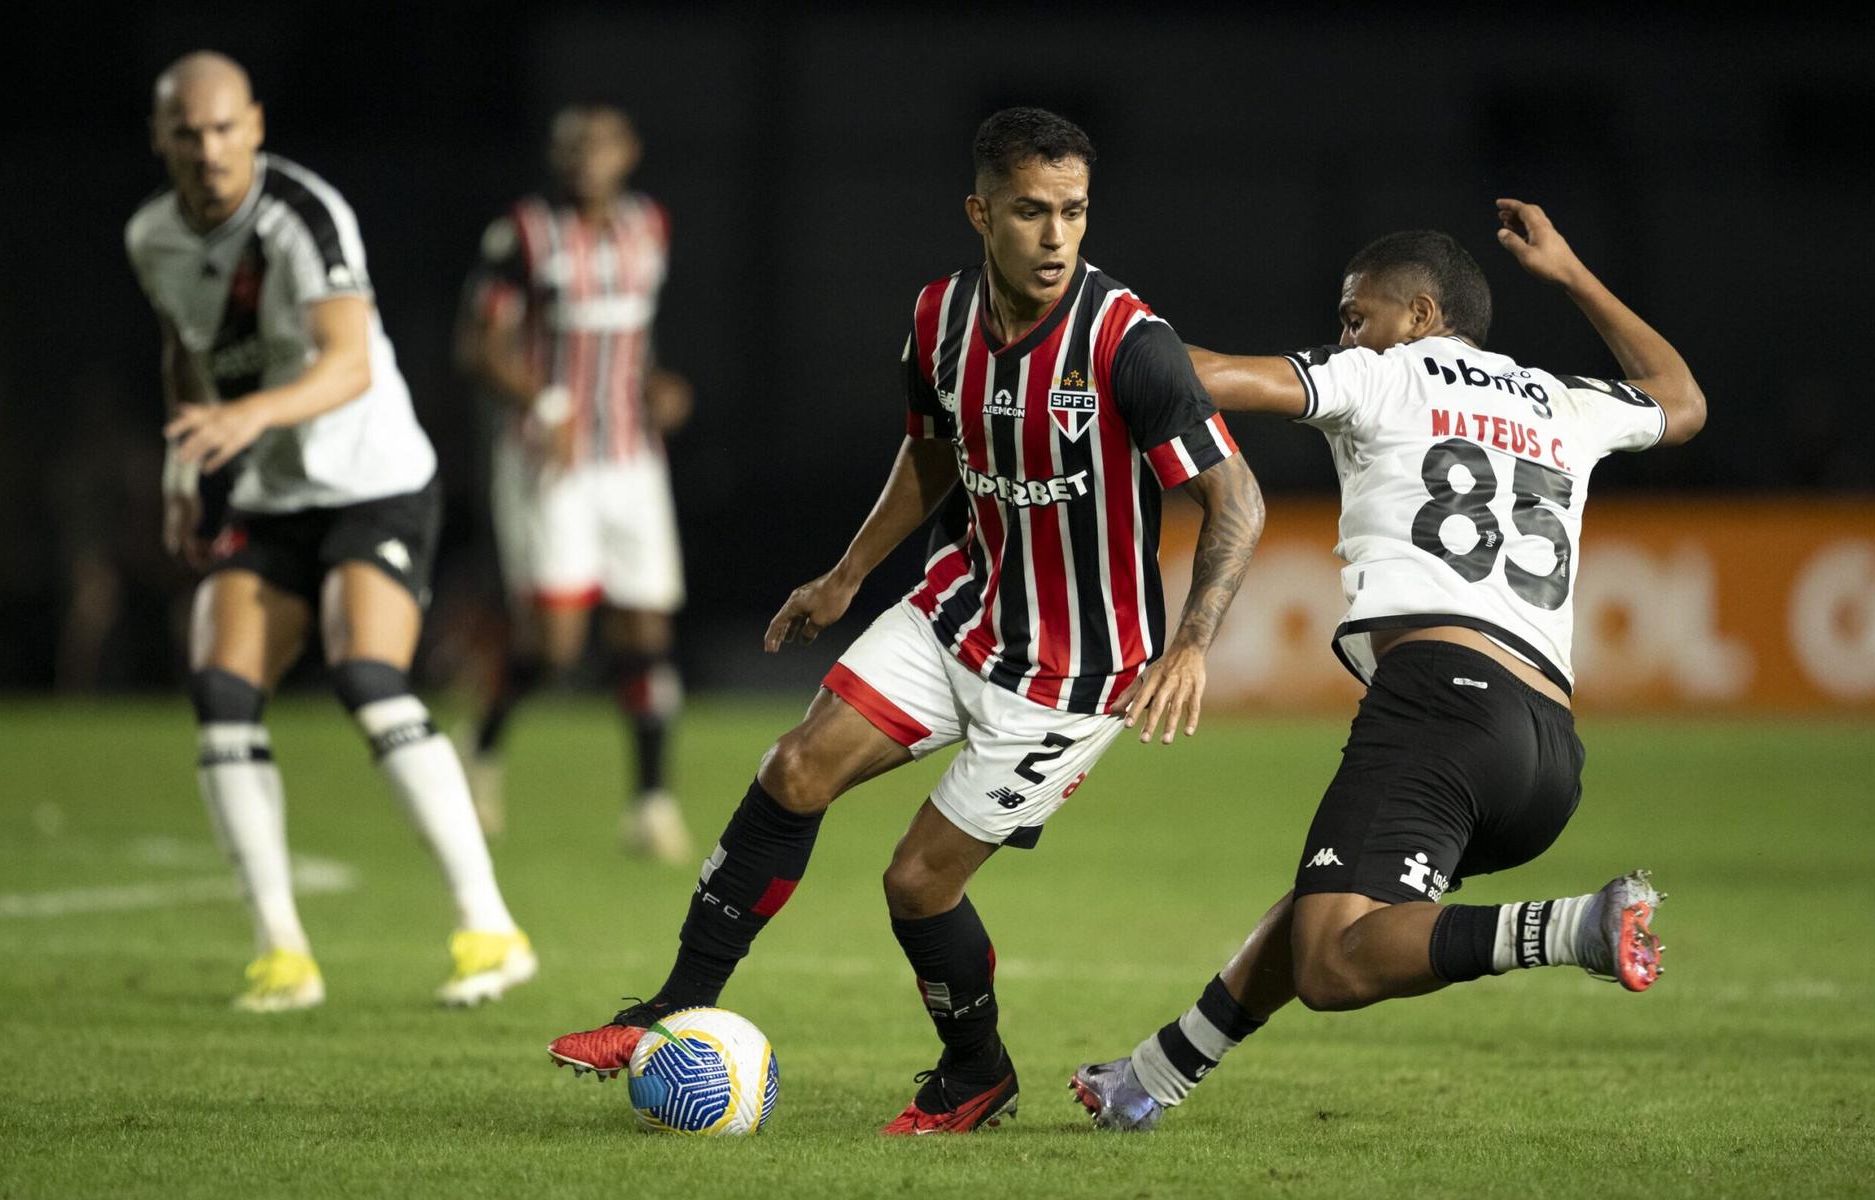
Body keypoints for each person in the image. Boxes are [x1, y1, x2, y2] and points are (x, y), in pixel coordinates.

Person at [546, 107, 1266, 1134]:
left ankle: (976, 1072)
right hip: (957, 611)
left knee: (916, 884)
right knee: (793, 770)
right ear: (980, 213)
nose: (1057, 236)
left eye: (1073, 212)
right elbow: (933, 454)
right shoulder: (937, 317)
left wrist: (1191, 641)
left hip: (1073, 674)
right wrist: (846, 576)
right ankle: (671, 1007)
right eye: (1030, 212)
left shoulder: (1128, 345)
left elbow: (1234, 500)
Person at [1070, 203, 1707, 1131]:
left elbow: (1206, 376)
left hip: (1442, 707)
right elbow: (1682, 400)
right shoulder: (1561, 399)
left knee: (1335, 959)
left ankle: (1579, 926)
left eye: (1354, 315)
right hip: (1547, 750)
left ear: (1418, 312)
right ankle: (1153, 1077)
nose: (1344, 334)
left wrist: (1083, 328)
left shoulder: (1384, 375)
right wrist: (1570, 273)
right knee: (1341, 893)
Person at [126, 51, 534, 1012]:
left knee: (366, 674)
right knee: (220, 690)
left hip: (374, 481)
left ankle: (489, 928)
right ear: (162, 140)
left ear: (255, 126)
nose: (208, 148)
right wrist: (188, 468)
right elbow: (185, 353)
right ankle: (282, 954)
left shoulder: (302, 214)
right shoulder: (152, 237)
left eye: (225, 128)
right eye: (187, 132)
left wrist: (245, 421)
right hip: (270, 496)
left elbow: (348, 364)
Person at [456, 105, 693, 857]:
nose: (587, 158)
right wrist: (544, 400)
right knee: (557, 647)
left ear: (630, 152)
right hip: (547, 459)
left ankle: (651, 805)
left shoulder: (648, 226)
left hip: (629, 456)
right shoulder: (522, 233)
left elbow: (633, 337)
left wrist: (660, 387)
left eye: (602, 144)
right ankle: (482, 741)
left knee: (645, 628)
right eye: (573, 146)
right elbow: (479, 345)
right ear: (556, 156)